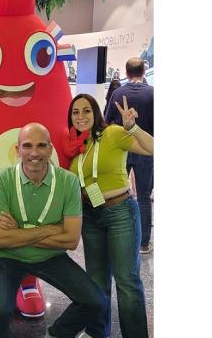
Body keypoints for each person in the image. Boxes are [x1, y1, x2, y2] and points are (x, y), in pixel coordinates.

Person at [0, 123, 107, 338]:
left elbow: (71, 240)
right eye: (27, 146)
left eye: (41, 146)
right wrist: (51, 228)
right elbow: (2, 240)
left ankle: (56, 334)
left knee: (95, 301)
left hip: (51, 256)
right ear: (18, 150)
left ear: (50, 149)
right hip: (9, 256)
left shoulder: (68, 181)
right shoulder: (2, 179)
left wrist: (19, 231)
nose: (34, 152)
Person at [67, 93, 153, 338]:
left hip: (120, 212)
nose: (81, 116)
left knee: (127, 282)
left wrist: (132, 127)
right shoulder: (75, 145)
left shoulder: (112, 133)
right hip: (90, 215)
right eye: (75, 112)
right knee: (96, 280)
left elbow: (151, 148)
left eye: (86, 110)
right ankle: (97, 332)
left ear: (95, 112)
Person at [104, 57, 155, 254]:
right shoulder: (153, 93)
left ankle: (113, 236)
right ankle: (144, 243)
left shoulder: (118, 93)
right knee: (143, 196)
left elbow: (107, 121)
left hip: (121, 150)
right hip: (145, 150)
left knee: (116, 194)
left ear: (126, 73)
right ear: (144, 71)